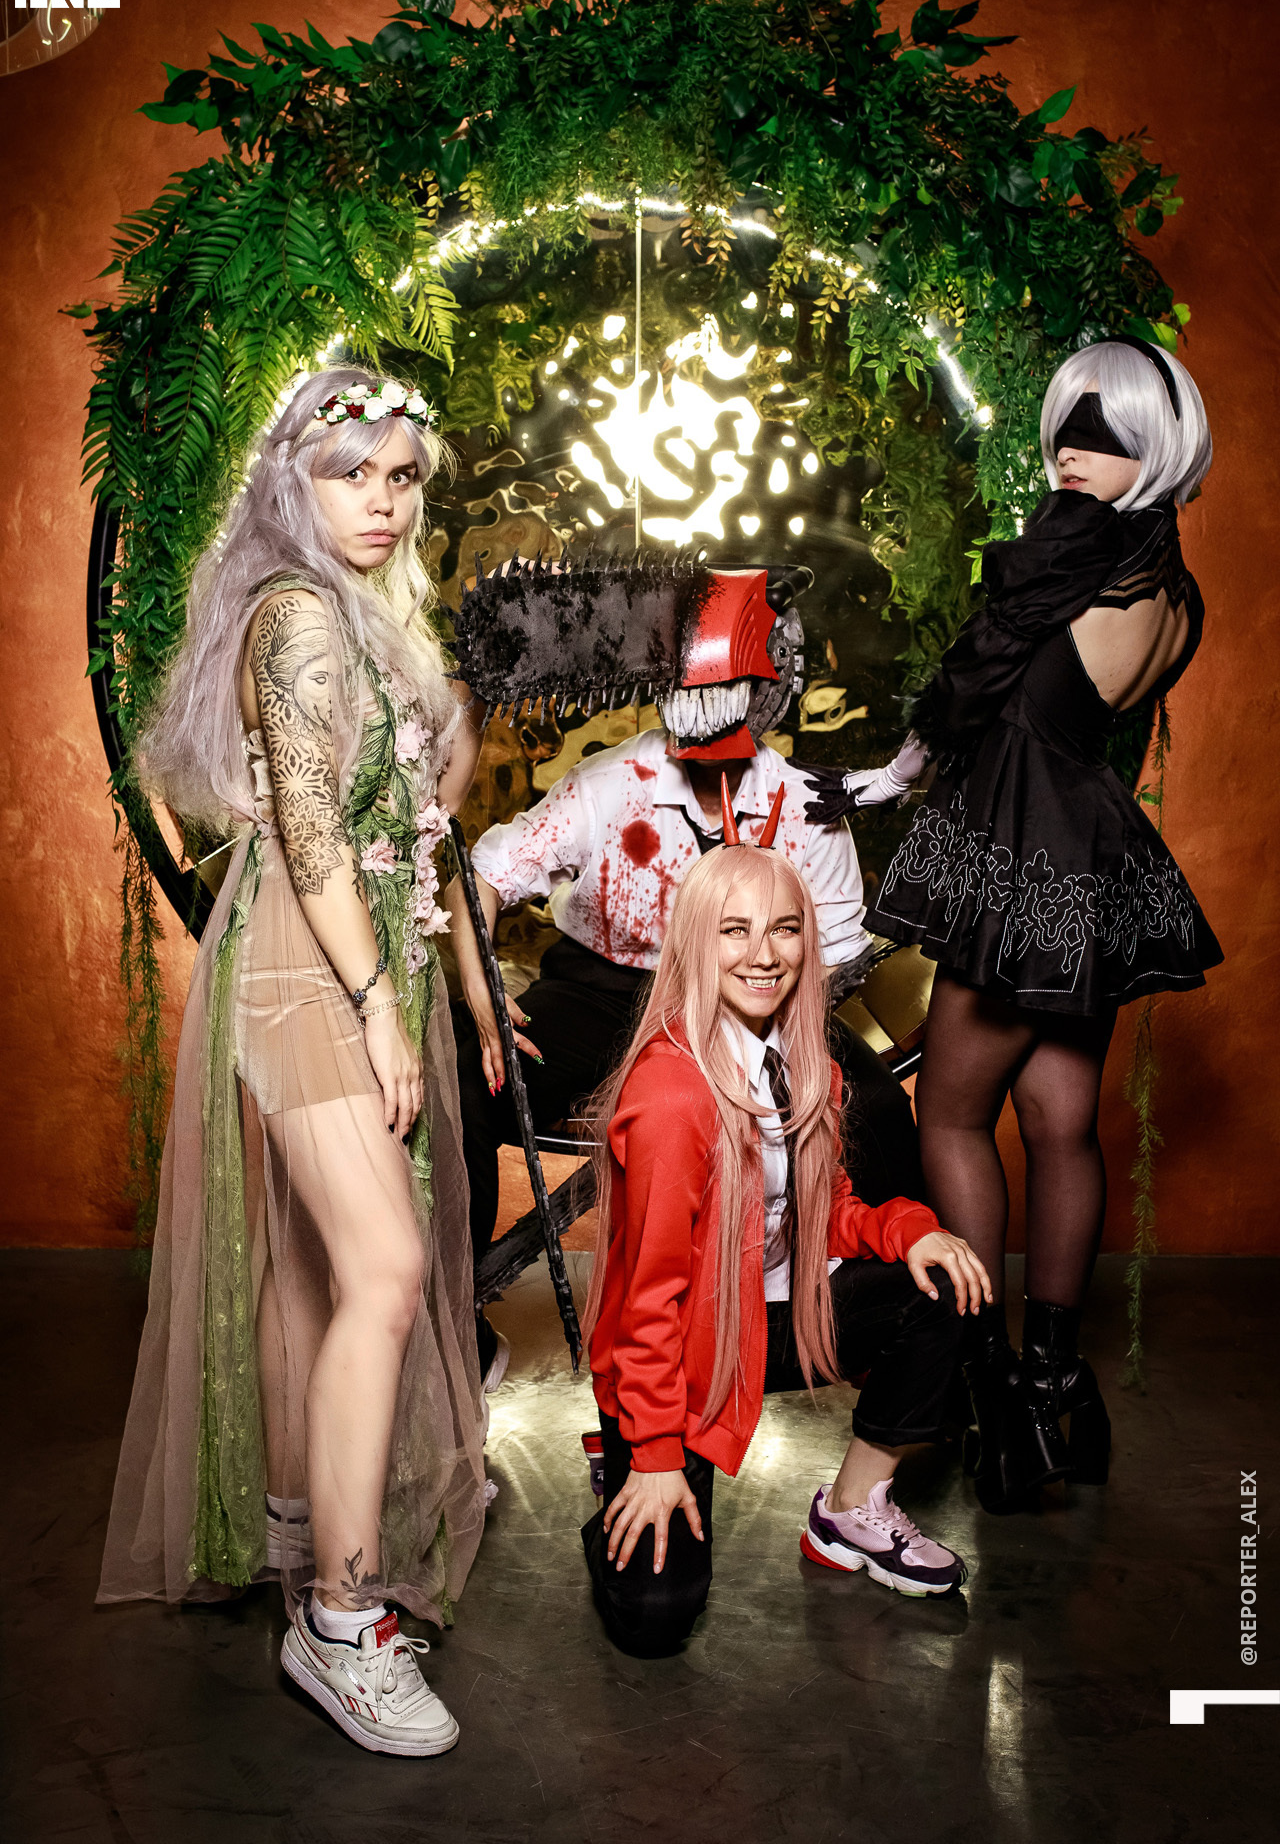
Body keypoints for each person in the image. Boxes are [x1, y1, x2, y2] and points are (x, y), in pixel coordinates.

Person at [98, 369, 489, 1758]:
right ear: (291, 483)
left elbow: (400, 818)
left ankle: (296, 1519)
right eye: (349, 473)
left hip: (345, 947)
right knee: (382, 1269)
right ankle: (339, 1617)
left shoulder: (354, 613)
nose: (381, 502)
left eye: (401, 478)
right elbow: (313, 831)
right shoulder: (301, 614)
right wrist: (378, 999)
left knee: (322, 1275)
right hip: (310, 963)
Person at [805, 337, 1222, 1511]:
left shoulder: (1071, 551)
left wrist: (892, 775)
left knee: (948, 1112)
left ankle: (979, 1367)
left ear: (1158, 445)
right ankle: (1049, 1382)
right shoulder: (1168, 579)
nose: (1074, 455)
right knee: (1059, 1122)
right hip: (1090, 854)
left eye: (1107, 435)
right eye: (1066, 431)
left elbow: (974, 681)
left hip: (1022, 854)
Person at [578, 793, 990, 1658]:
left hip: (771, 1322)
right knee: (656, 1620)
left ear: (809, 942)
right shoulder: (672, 1095)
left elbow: (823, 1211)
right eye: (734, 931)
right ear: (696, 944)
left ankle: (851, 1511)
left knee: (946, 1285)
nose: (764, 955)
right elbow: (647, 1303)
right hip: (680, 1361)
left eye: (784, 930)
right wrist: (653, 1455)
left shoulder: (807, 1068)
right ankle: (617, 1464)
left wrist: (911, 1231)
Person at [449, 704, 921, 1387]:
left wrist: (758, 1033)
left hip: (756, 997)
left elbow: (830, 961)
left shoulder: (808, 801)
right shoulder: (611, 781)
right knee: (471, 1071)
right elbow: (482, 876)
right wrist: (482, 990)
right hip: (604, 995)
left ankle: (884, 1336)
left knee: (877, 1108)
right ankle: (456, 1324)